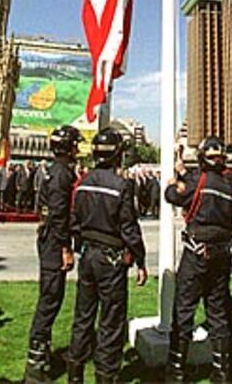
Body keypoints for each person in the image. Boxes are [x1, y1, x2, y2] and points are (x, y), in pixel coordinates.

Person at [67, 128, 148, 384]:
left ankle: (75, 374)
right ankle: (106, 376)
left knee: (83, 317)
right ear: (117, 155)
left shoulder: (81, 183)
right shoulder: (121, 185)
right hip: (111, 259)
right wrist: (140, 260)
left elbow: (74, 221)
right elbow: (129, 227)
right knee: (111, 322)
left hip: (88, 257)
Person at [165, 136, 232, 383]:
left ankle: (175, 371)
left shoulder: (199, 180)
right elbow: (203, 187)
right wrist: (183, 172)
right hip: (223, 253)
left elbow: (173, 196)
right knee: (217, 310)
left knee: (184, 308)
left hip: (197, 252)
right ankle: (222, 372)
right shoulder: (231, 182)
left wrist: (173, 182)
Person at [24, 125, 83, 384]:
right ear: (68, 147)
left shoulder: (55, 169)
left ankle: (43, 355)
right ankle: (35, 368)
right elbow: (59, 215)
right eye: (75, 145)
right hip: (53, 243)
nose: (78, 149)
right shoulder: (61, 174)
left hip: (48, 238)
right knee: (49, 299)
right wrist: (65, 248)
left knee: (51, 298)